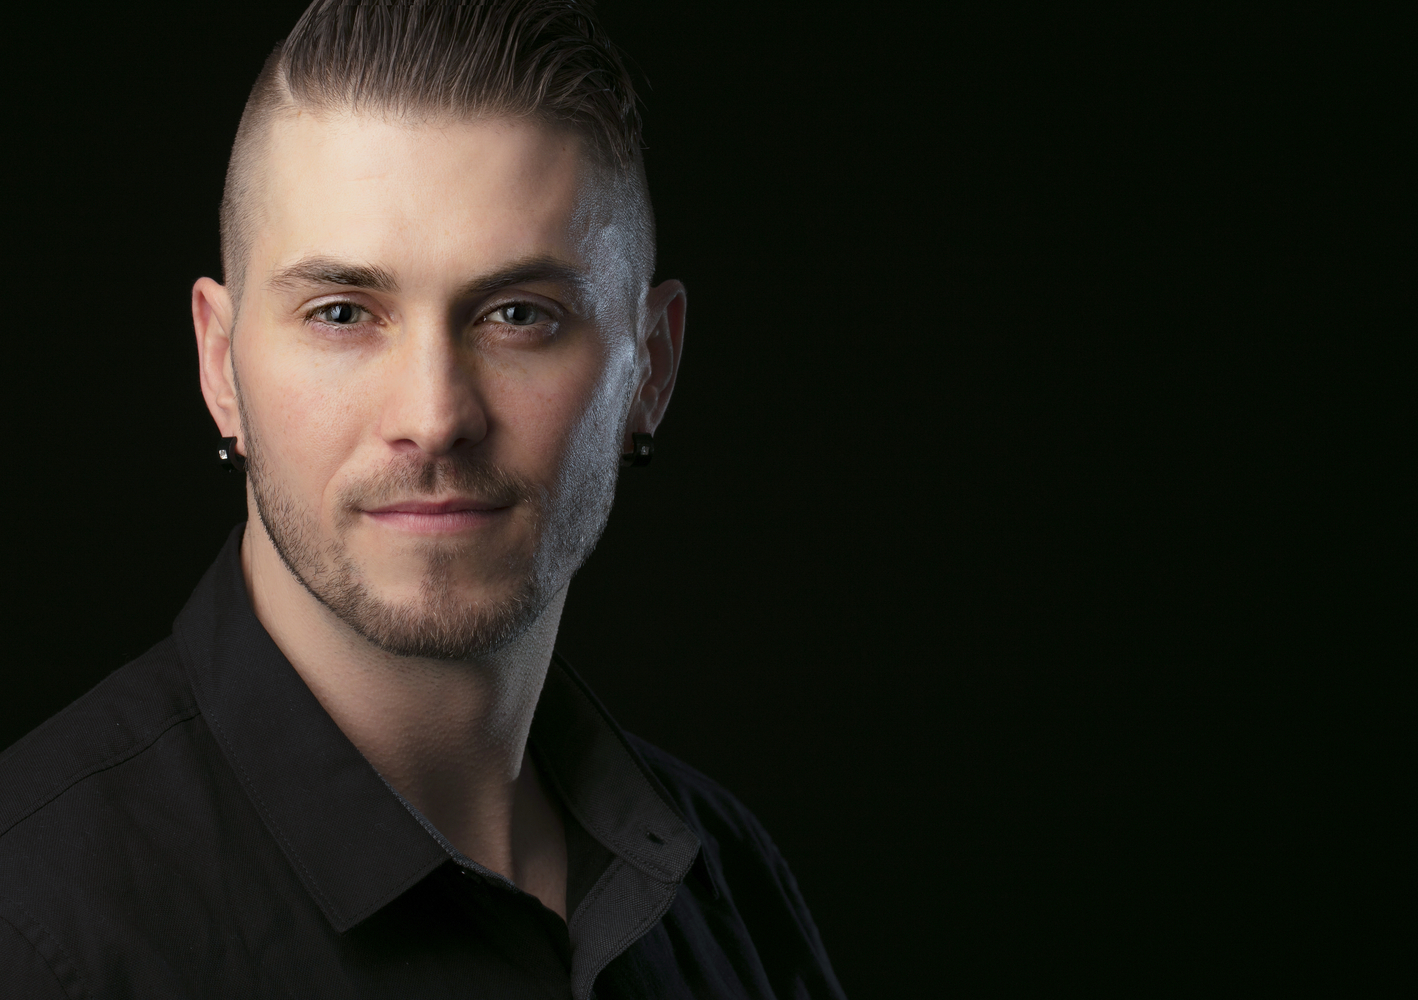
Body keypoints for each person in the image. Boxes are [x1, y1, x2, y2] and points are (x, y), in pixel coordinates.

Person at [0, 2, 844, 997]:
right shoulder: (34, 928)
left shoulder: (734, 892)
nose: (434, 417)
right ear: (221, 365)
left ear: (650, 367)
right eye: (342, 313)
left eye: (518, 314)